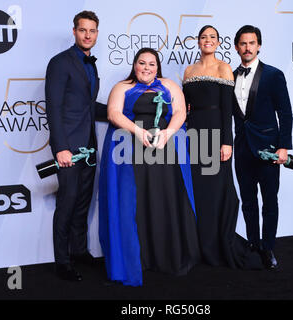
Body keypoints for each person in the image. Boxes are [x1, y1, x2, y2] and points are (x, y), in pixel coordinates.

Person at [98, 48, 200, 286]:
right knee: (133, 204)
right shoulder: (122, 87)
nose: (147, 68)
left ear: (158, 66)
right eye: (142, 63)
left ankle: (166, 256)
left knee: (163, 200)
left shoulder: (169, 85)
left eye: (152, 64)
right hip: (130, 150)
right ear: (135, 65)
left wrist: (168, 133)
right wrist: (138, 131)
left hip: (164, 151)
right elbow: (113, 114)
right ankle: (137, 260)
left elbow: (180, 112)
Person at [182, 25, 261, 269]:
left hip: (216, 133)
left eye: (212, 37)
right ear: (197, 42)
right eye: (203, 37)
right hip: (194, 133)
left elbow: (228, 110)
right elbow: (185, 108)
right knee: (198, 190)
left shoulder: (224, 68)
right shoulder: (188, 70)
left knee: (216, 190)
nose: (208, 40)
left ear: (218, 43)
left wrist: (227, 142)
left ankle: (218, 242)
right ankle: (200, 243)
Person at [45, 10, 107, 281]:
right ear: (74, 31)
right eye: (83, 30)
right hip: (68, 147)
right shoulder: (60, 63)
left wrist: (128, 111)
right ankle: (62, 261)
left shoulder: (90, 64)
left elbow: (88, 106)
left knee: (82, 202)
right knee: (67, 202)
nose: (87, 35)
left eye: (92, 31)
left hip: (89, 146)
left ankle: (80, 251)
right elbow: (54, 107)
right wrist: (61, 148)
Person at [233, 25, 293, 269]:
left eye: (252, 43)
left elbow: (285, 112)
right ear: (237, 47)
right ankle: (253, 242)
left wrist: (284, 147)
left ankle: (268, 247)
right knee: (247, 200)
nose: (247, 47)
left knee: (269, 200)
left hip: (269, 148)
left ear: (259, 46)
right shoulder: (230, 75)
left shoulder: (273, 75)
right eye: (243, 43)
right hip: (242, 148)